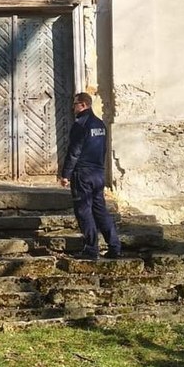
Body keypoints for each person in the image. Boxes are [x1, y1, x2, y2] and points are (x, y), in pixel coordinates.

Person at [59, 92, 122, 260]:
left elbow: (74, 151)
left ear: (83, 105)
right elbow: (104, 149)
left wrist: (66, 174)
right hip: (97, 173)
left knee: (84, 210)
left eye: (75, 104)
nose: (73, 107)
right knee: (100, 210)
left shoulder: (81, 124)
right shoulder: (100, 125)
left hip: (83, 174)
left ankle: (91, 249)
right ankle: (115, 246)